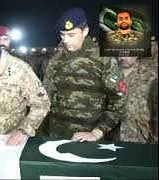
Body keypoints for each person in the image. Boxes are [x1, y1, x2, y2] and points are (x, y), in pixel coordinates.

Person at [43, 7, 126, 142]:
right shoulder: (55, 61)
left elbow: (119, 99)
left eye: (71, 35)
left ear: (85, 31)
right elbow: (47, 97)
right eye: (62, 34)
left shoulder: (103, 59)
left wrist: (98, 132)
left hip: (89, 136)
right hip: (56, 134)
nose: (65, 40)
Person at [117, 57, 157, 143]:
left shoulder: (151, 76)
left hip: (141, 139)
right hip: (112, 138)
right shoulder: (108, 73)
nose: (123, 57)